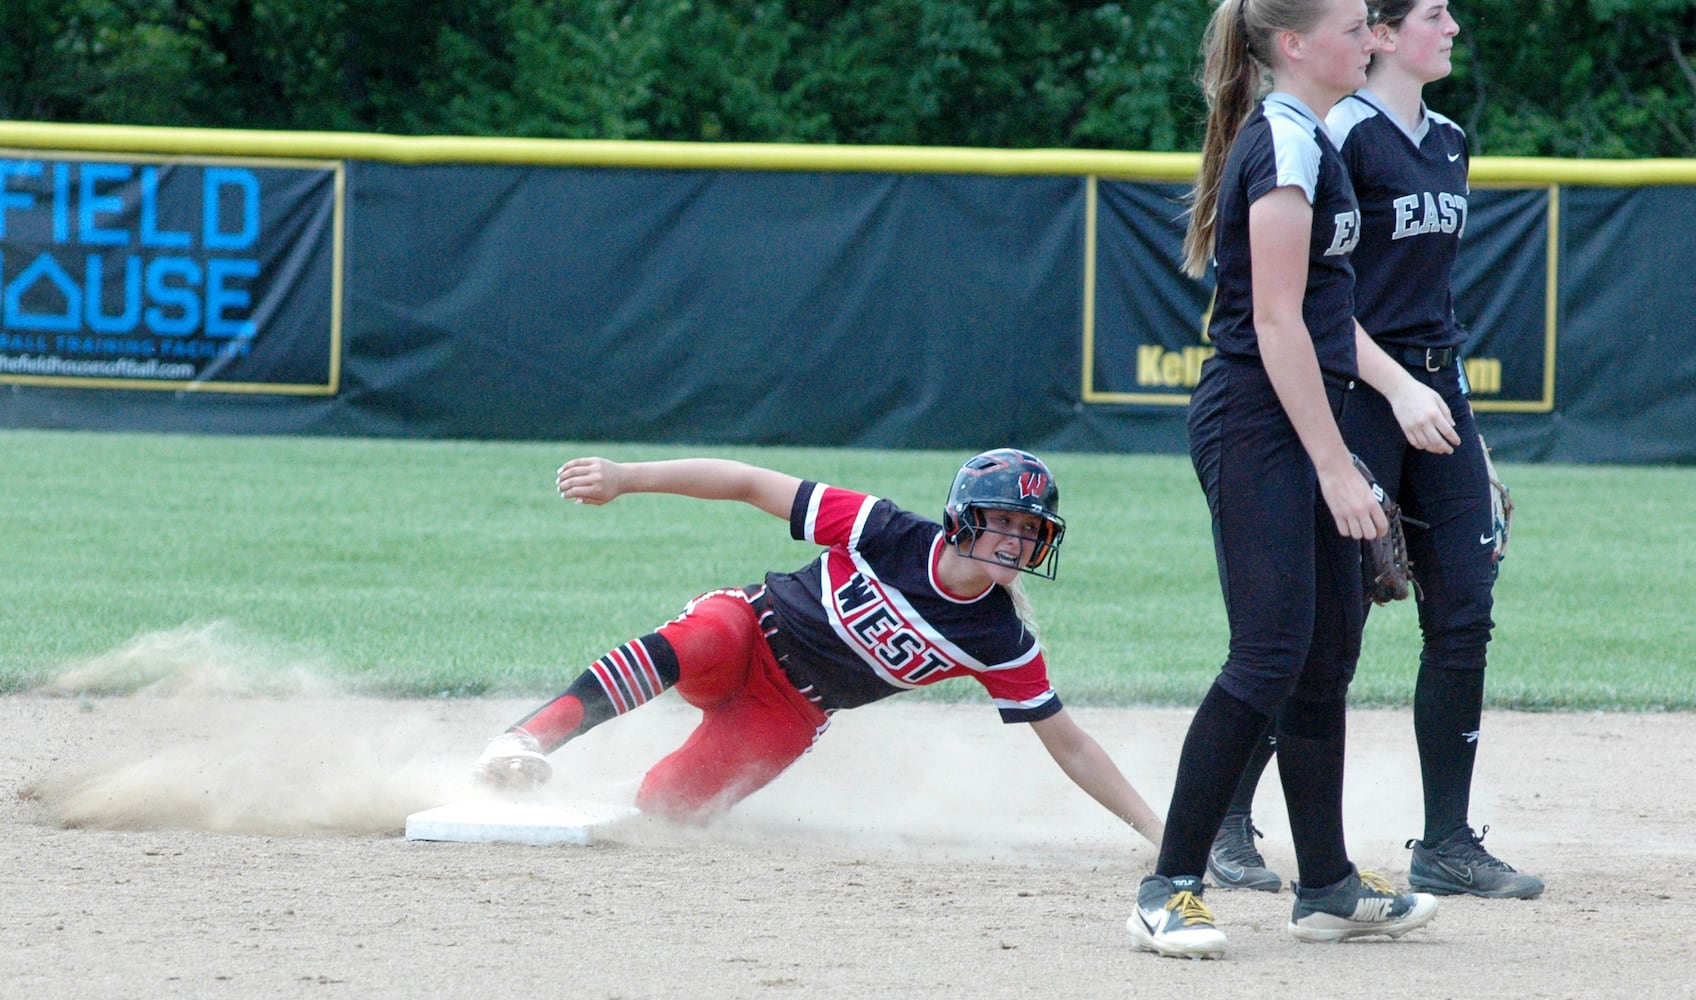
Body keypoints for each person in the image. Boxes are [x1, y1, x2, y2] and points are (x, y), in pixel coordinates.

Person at [1207, 0, 1544, 901]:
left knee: (1465, 608)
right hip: (1359, 396)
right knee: (1320, 631)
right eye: (1433, 13)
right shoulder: (1334, 136)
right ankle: (1230, 821)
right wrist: (1394, 390)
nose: (1454, 27)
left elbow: (1431, 300)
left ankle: (1445, 841)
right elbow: (1318, 307)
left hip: (1439, 396)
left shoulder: (1449, 140)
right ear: (1382, 34)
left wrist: (1464, 430)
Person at [1125, 0, 1441, 959]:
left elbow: (1322, 311)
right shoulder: (1286, 144)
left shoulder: (1315, 137)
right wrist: (1338, 466)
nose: (1371, 38)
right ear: (1295, 44)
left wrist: (1355, 429)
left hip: (1300, 417)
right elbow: (1274, 324)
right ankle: (1168, 883)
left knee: (1327, 652)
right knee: (1267, 654)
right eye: (1354, 27)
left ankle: (1328, 884)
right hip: (1257, 423)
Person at [470, 448, 1166, 850]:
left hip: (793, 712)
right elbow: (747, 483)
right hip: (748, 633)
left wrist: (1160, 834)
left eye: (1031, 528)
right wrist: (625, 477)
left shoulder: (1000, 641)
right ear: (963, 520)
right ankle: (523, 741)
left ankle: (590, 796)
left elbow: (1070, 744)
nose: (1018, 540)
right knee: (704, 636)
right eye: (1003, 523)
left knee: (665, 811)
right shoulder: (887, 531)